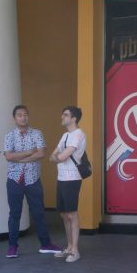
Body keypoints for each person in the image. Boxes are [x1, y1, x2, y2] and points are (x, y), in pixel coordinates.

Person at [3, 105, 61, 258]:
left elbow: (41, 153)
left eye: (26, 114)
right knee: (14, 214)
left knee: (39, 213)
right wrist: (30, 152)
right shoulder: (9, 136)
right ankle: (12, 247)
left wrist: (19, 158)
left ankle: (46, 244)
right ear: (15, 118)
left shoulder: (37, 133)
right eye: (20, 115)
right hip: (14, 180)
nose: (23, 117)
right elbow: (8, 156)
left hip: (33, 180)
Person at [49, 106, 86, 263]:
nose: (62, 117)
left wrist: (58, 157)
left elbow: (61, 156)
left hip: (72, 178)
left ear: (73, 118)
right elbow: (52, 156)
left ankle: (75, 250)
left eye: (65, 115)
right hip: (62, 178)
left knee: (72, 214)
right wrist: (58, 157)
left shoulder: (79, 134)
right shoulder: (65, 135)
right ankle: (69, 247)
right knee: (64, 214)